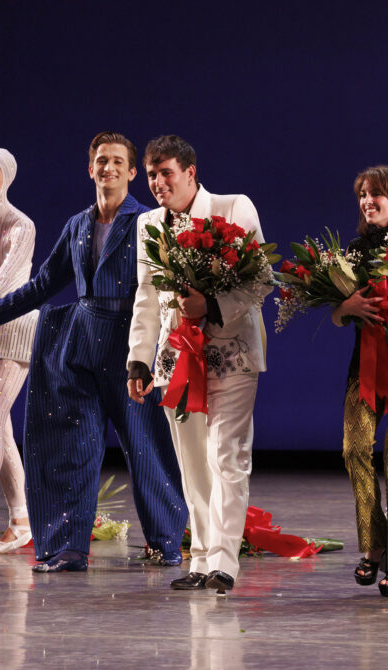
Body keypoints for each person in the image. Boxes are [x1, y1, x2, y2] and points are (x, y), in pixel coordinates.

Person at [0, 134, 188, 572]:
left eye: (118, 161)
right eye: (101, 160)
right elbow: (42, 286)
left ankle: (165, 542)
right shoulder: (78, 225)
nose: (108, 168)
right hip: (79, 342)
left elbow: (163, 293)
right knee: (71, 447)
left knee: (146, 446)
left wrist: (157, 354)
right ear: (90, 168)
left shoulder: (148, 221)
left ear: (132, 172)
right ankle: (68, 548)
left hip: (129, 346)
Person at [127, 134, 271, 592]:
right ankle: (202, 558)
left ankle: (225, 561)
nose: (157, 182)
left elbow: (263, 281)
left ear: (190, 172)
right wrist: (138, 359)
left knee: (227, 456)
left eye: (165, 172)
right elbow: (147, 296)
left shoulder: (233, 208)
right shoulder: (148, 222)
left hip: (230, 352)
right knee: (192, 462)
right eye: (151, 174)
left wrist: (210, 303)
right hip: (176, 358)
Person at [332, 166, 388, 597]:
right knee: (354, 452)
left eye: (376, 195)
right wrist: (346, 305)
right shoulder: (351, 251)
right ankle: (374, 545)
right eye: (363, 195)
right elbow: (337, 313)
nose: (368, 201)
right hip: (363, 369)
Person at [0, 148, 37, 562]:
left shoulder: (22, 225)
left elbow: (4, 286)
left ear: (6, 177)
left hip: (13, 328)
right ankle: (21, 521)